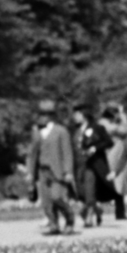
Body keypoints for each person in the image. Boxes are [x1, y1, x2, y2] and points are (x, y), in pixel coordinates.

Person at [28, 100, 77, 235]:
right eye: (41, 114)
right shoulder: (37, 132)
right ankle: (53, 224)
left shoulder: (61, 131)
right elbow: (32, 154)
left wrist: (68, 171)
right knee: (46, 201)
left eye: (45, 114)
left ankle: (69, 219)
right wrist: (30, 173)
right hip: (43, 171)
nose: (42, 117)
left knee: (57, 197)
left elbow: (67, 152)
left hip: (58, 170)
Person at [70, 105, 113, 228]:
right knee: (81, 193)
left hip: (92, 164)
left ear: (84, 115)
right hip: (78, 166)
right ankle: (97, 210)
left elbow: (108, 142)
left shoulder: (97, 128)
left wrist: (95, 148)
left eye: (77, 114)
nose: (75, 117)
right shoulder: (75, 130)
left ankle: (89, 217)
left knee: (89, 190)